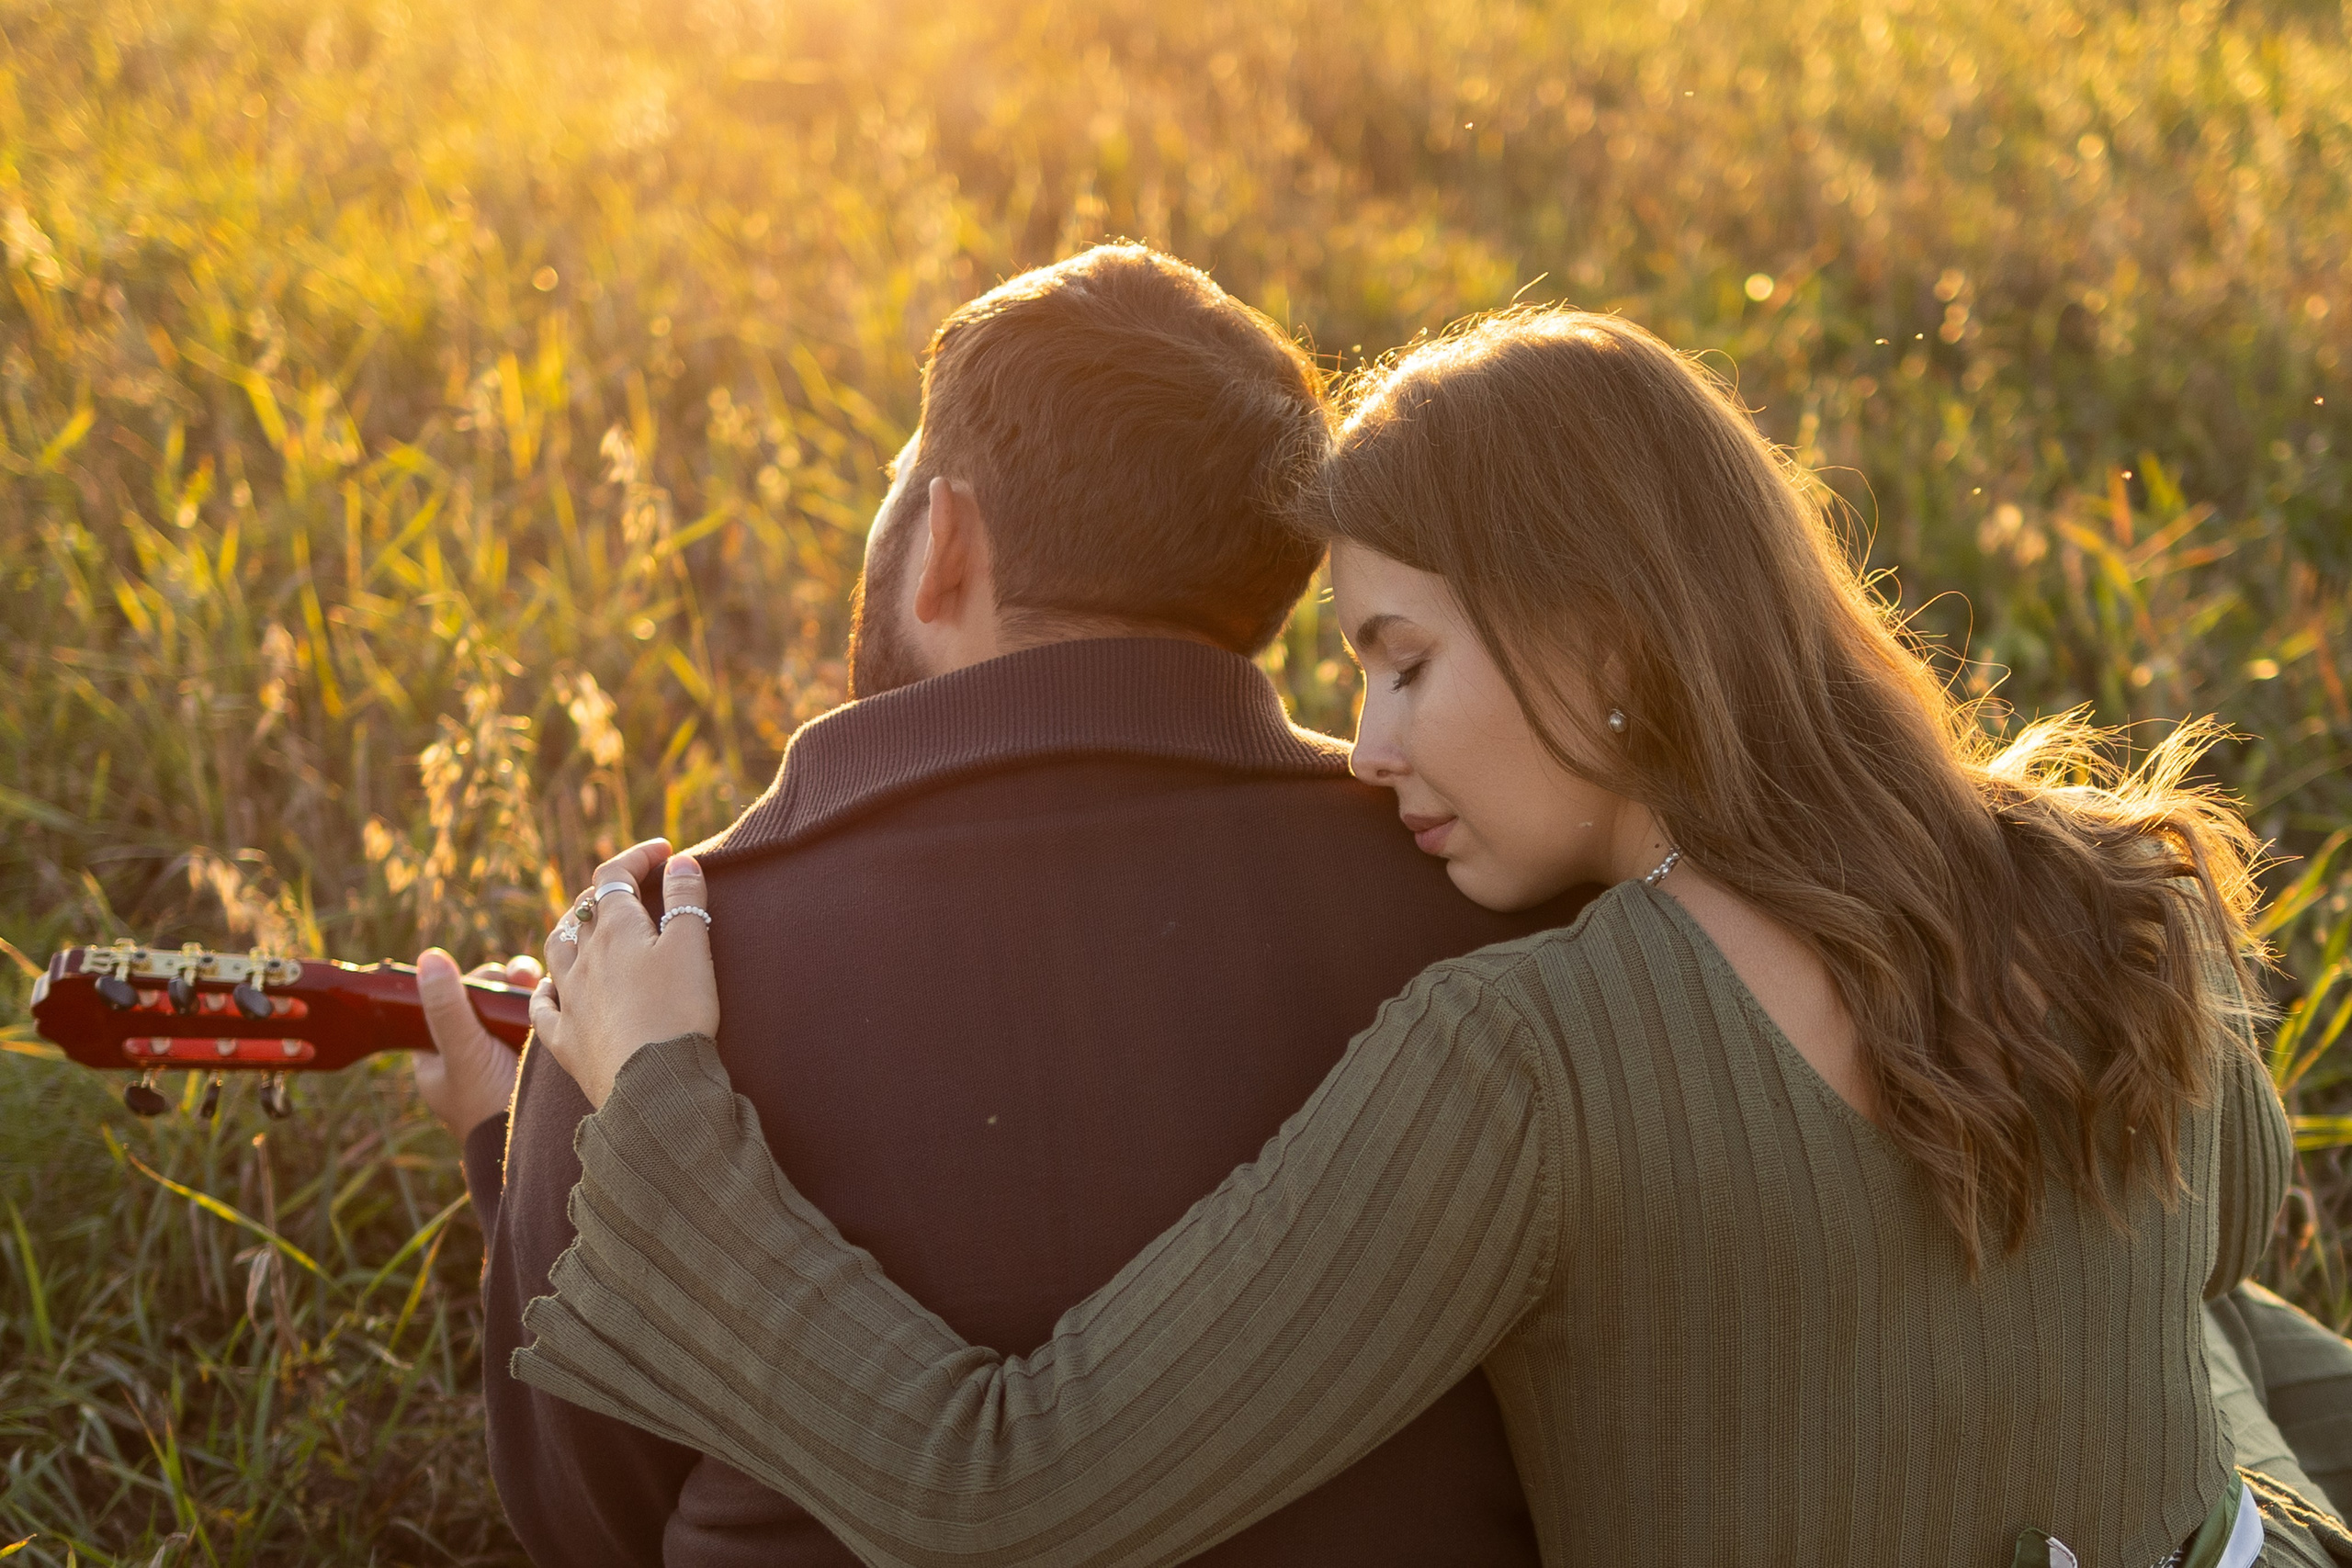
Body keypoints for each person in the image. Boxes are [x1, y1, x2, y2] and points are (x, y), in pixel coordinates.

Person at [508, 309, 2352, 1568]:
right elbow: (2213, 1248)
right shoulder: (2128, 895)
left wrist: (662, 1098)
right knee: (2235, 1337)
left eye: (1399, 658)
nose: (1368, 749)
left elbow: (996, 1492)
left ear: (1604, 639)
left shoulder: (1529, 1054)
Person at [412, 245, 1591, 1567]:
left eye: (897, 484)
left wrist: (522, 1150)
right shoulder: (1503, 895)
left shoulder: (652, 980)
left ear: (947, 542)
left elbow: (584, 1524)